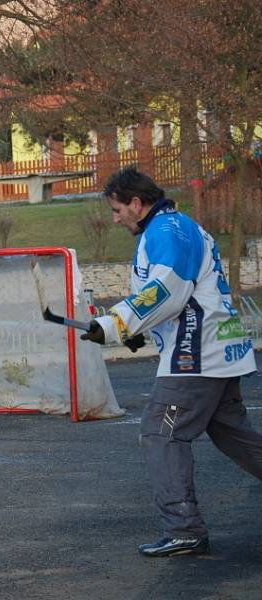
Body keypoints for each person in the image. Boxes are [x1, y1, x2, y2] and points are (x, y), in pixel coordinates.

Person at [80, 166, 262, 557]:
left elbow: (168, 292)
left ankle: (184, 528)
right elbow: (177, 296)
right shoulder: (176, 226)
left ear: (136, 203)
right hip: (218, 350)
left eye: (117, 210)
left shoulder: (164, 232)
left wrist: (114, 324)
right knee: (235, 436)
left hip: (195, 356)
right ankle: (184, 527)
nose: (115, 219)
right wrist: (135, 332)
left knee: (161, 432)